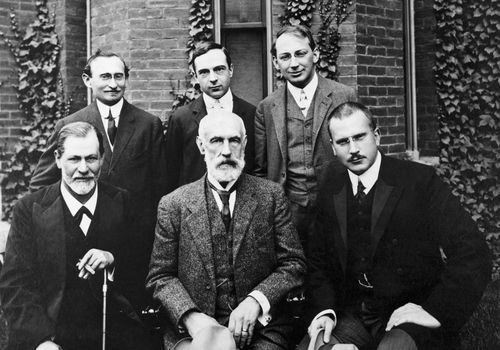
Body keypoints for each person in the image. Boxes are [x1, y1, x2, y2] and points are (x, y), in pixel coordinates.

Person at [299, 102, 491, 350]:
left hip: (407, 314)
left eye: (360, 137)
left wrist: (435, 310)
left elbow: (473, 250)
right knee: (314, 348)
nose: (354, 149)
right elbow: (318, 261)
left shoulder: (419, 181)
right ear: (333, 148)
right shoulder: (331, 185)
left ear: (376, 136)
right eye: (343, 142)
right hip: (353, 314)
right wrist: (325, 311)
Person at [147, 111, 306, 350]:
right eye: (216, 141)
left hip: (262, 331)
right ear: (201, 146)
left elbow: (294, 263)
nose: (226, 151)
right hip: (194, 333)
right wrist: (191, 317)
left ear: (244, 144)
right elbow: (160, 276)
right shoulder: (174, 204)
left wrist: (256, 301)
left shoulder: (270, 196)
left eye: (234, 140)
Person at [29, 50, 166, 311]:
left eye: (118, 76)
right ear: (87, 80)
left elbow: (160, 190)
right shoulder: (70, 123)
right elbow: (40, 184)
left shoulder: (149, 125)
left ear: (126, 78)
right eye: (105, 76)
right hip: (80, 240)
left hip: (131, 243)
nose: (112, 84)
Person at [0, 122, 153, 350]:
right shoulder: (29, 209)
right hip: (50, 337)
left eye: (91, 158)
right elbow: (15, 285)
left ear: (102, 158)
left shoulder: (126, 204)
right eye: (74, 159)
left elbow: (147, 270)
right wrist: (40, 341)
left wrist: (113, 261)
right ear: (58, 158)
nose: (83, 168)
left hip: (115, 336)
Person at [255, 25, 356, 253]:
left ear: (316, 54)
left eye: (300, 53)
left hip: (336, 206)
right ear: (275, 63)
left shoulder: (343, 96)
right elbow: (260, 170)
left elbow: (357, 152)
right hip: (288, 211)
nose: (294, 63)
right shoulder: (266, 108)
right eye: (285, 57)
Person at [164, 41, 256, 194]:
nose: (213, 78)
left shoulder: (251, 114)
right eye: (204, 72)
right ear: (195, 77)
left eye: (219, 69)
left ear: (231, 70)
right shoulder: (181, 119)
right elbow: (172, 172)